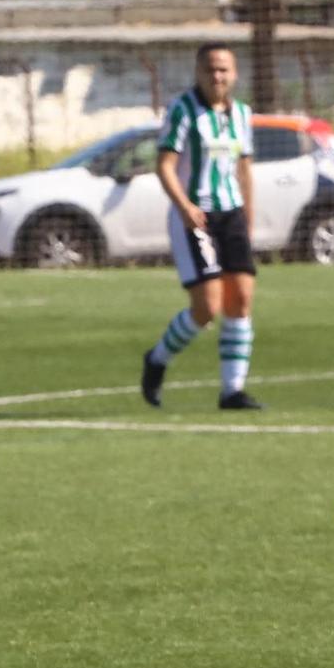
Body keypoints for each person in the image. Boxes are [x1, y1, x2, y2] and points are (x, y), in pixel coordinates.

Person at [139, 44, 263, 411]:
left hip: (232, 214)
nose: (217, 76)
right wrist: (185, 206)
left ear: (235, 73)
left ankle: (232, 391)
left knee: (240, 299)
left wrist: (248, 216)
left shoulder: (241, 113)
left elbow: (244, 169)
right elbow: (164, 166)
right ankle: (157, 358)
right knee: (207, 307)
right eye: (210, 69)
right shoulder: (182, 111)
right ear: (198, 72)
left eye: (224, 69)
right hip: (195, 217)